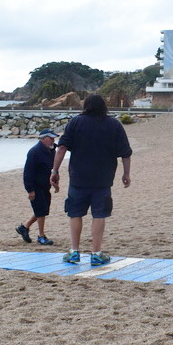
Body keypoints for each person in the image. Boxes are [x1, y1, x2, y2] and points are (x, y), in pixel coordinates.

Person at [51, 94, 132, 266]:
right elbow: (125, 152)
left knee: (75, 213)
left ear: (85, 106)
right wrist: (126, 174)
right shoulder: (114, 124)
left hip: (78, 178)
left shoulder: (75, 122)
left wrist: (55, 170)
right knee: (99, 215)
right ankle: (96, 253)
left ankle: (74, 252)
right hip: (103, 179)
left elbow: (62, 148)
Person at [16, 128, 59, 245]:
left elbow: (53, 169)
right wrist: (30, 190)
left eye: (53, 138)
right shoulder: (34, 152)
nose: (53, 140)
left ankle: (24, 227)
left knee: (42, 210)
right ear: (42, 139)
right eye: (51, 138)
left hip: (46, 186)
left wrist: (56, 183)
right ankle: (41, 236)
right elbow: (27, 173)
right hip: (36, 186)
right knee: (41, 211)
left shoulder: (52, 151)